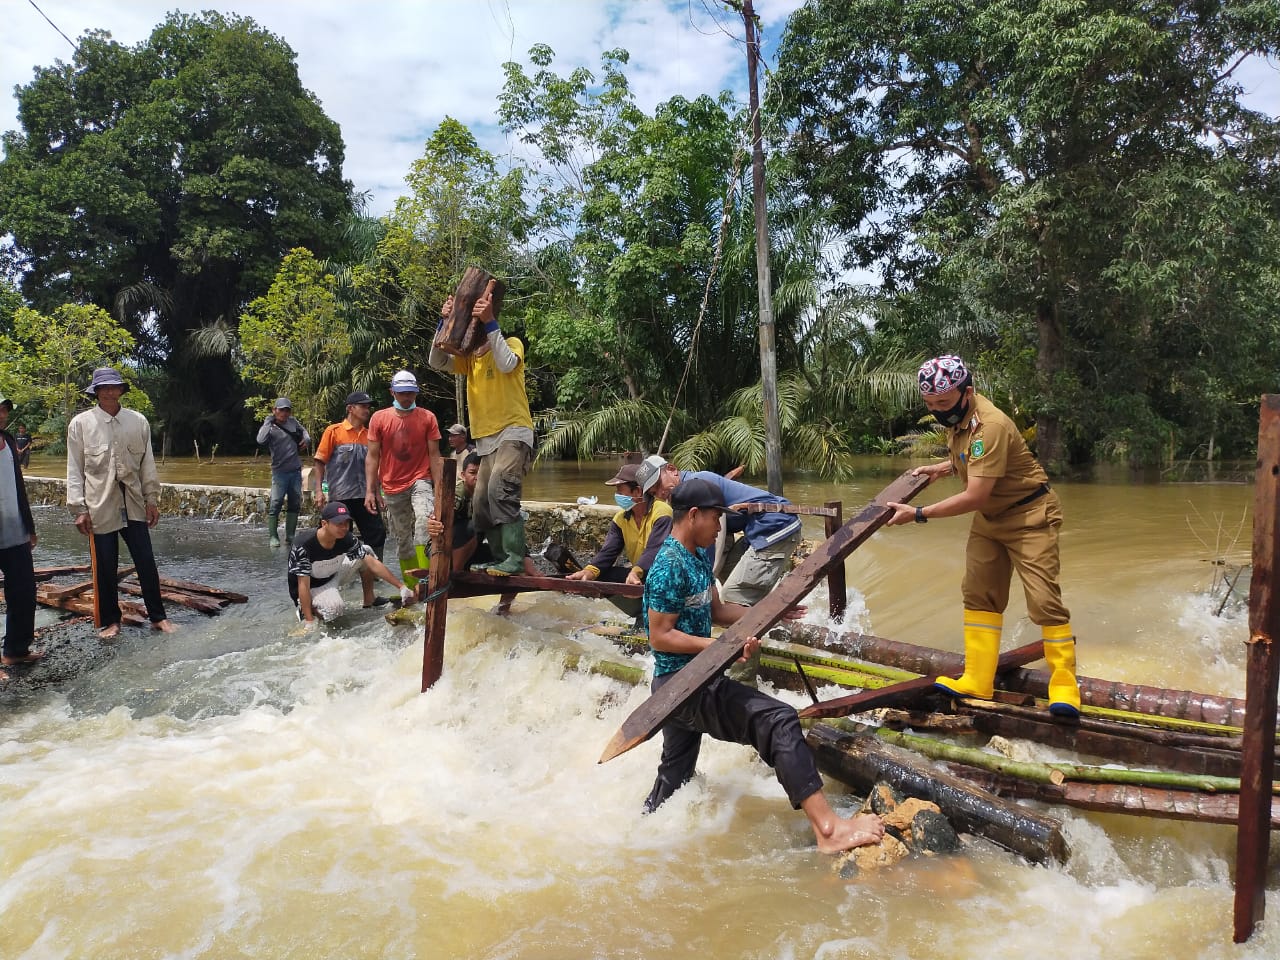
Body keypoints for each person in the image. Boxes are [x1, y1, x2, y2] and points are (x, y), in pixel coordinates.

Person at [641, 478, 885, 854]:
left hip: (685, 687)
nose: (720, 527)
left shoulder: (696, 558)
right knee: (778, 720)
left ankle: (643, 840)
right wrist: (722, 646)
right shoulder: (667, 565)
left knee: (675, 779)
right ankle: (829, 829)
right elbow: (660, 636)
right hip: (684, 685)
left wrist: (771, 613)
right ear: (693, 516)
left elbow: (719, 611)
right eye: (715, 519)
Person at [884, 355, 1080, 717]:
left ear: (967, 392)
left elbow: (976, 495)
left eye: (943, 404)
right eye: (930, 406)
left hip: (1029, 515)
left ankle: (1065, 683)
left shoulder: (990, 425)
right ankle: (977, 677)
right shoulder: (959, 417)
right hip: (990, 520)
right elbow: (971, 459)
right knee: (978, 593)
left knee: (1043, 600)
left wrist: (919, 514)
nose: (938, 412)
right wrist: (943, 468)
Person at [429, 282, 534, 576]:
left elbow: (506, 364)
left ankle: (514, 558)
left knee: (502, 487)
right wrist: (444, 322)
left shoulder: (511, 342)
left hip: (514, 431)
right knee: (482, 501)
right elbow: (436, 361)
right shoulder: (469, 358)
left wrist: (490, 322)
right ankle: (502, 559)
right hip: (486, 439)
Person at [66, 368, 175, 641]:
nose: (109, 392)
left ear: (121, 390)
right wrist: (78, 509)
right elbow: (74, 469)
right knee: (105, 566)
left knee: (146, 561)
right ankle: (110, 621)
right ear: (96, 392)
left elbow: (147, 464)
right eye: (104, 388)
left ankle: (158, 617)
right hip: (100, 505)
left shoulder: (137, 422)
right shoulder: (81, 424)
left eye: (114, 387)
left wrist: (152, 499)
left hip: (135, 502)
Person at [636, 455, 802, 606]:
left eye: (659, 485)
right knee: (728, 575)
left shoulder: (697, 486)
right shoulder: (689, 491)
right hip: (757, 529)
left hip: (774, 525)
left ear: (672, 470)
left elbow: (710, 541)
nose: (660, 492)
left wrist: (700, 579)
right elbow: (722, 535)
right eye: (654, 492)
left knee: (733, 596)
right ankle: (773, 608)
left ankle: (764, 619)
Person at [364, 370, 444, 590]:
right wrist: (371, 491)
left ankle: (428, 582)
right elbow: (372, 456)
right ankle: (412, 586)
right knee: (402, 539)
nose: (407, 397)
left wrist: (439, 491)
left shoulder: (427, 417)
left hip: (420, 478)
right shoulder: (379, 419)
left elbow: (435, 456)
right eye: (402, 393)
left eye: (411, 393)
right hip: (391, 484)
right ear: (393, 392)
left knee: (423, 525)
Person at [566, 462, 673, 619]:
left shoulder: (662, 512)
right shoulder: (621, 518)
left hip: (665, 575)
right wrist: (589, 571)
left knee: (652, 579)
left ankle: (653, 616)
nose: (617, 495)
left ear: (637, 491)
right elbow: (609, 551)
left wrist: (635, 572)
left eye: (620, 490)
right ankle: (638, 613)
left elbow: (655, 550)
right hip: (638, 575)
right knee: (602, 575)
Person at [288, 501, 418, 624]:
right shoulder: (303, 545)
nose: (344, 528)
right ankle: (307, 610)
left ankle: (369, 600)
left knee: (366, 551)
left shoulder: (346, 538)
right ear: (324, 523)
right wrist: (309, 622)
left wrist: (402, 587)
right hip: (312, 586)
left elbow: (371, 563)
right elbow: (303, 585)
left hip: (333, 573)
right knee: (335, 609)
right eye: (339, 524)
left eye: (346, 523)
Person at [314, 391, 387, 560]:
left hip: (365, 496)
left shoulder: (371, 435)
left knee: (377, 533)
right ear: (350, 408)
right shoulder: (333, 431)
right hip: (341, 496)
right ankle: (330, 570)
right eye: (363, 406)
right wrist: (318, 491)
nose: (367, 410)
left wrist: (377, 493)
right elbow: (319, 462)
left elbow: (375, 467)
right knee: (336, 534)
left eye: (368, 407)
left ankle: (374, 571)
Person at [0, 394, 40, 671]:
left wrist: (30, 526)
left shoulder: (10, 441)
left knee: (24, 591)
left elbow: (18, 487)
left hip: (15, 531)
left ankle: (16, 649)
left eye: (4, 409)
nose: (2, 414)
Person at [256, 398, 310, 548]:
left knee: (294, 502)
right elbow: (260, 440)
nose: (284, 413)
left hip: (295, 470)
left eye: (287, 410)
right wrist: (268, 421)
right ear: (274, 410)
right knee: (276, 503)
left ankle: (290, 536)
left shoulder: (293, 422)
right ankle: (273, 536)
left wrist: (307, 438)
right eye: (281, 410)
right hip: (279, 471)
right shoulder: (270, 426)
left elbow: (304, 431)